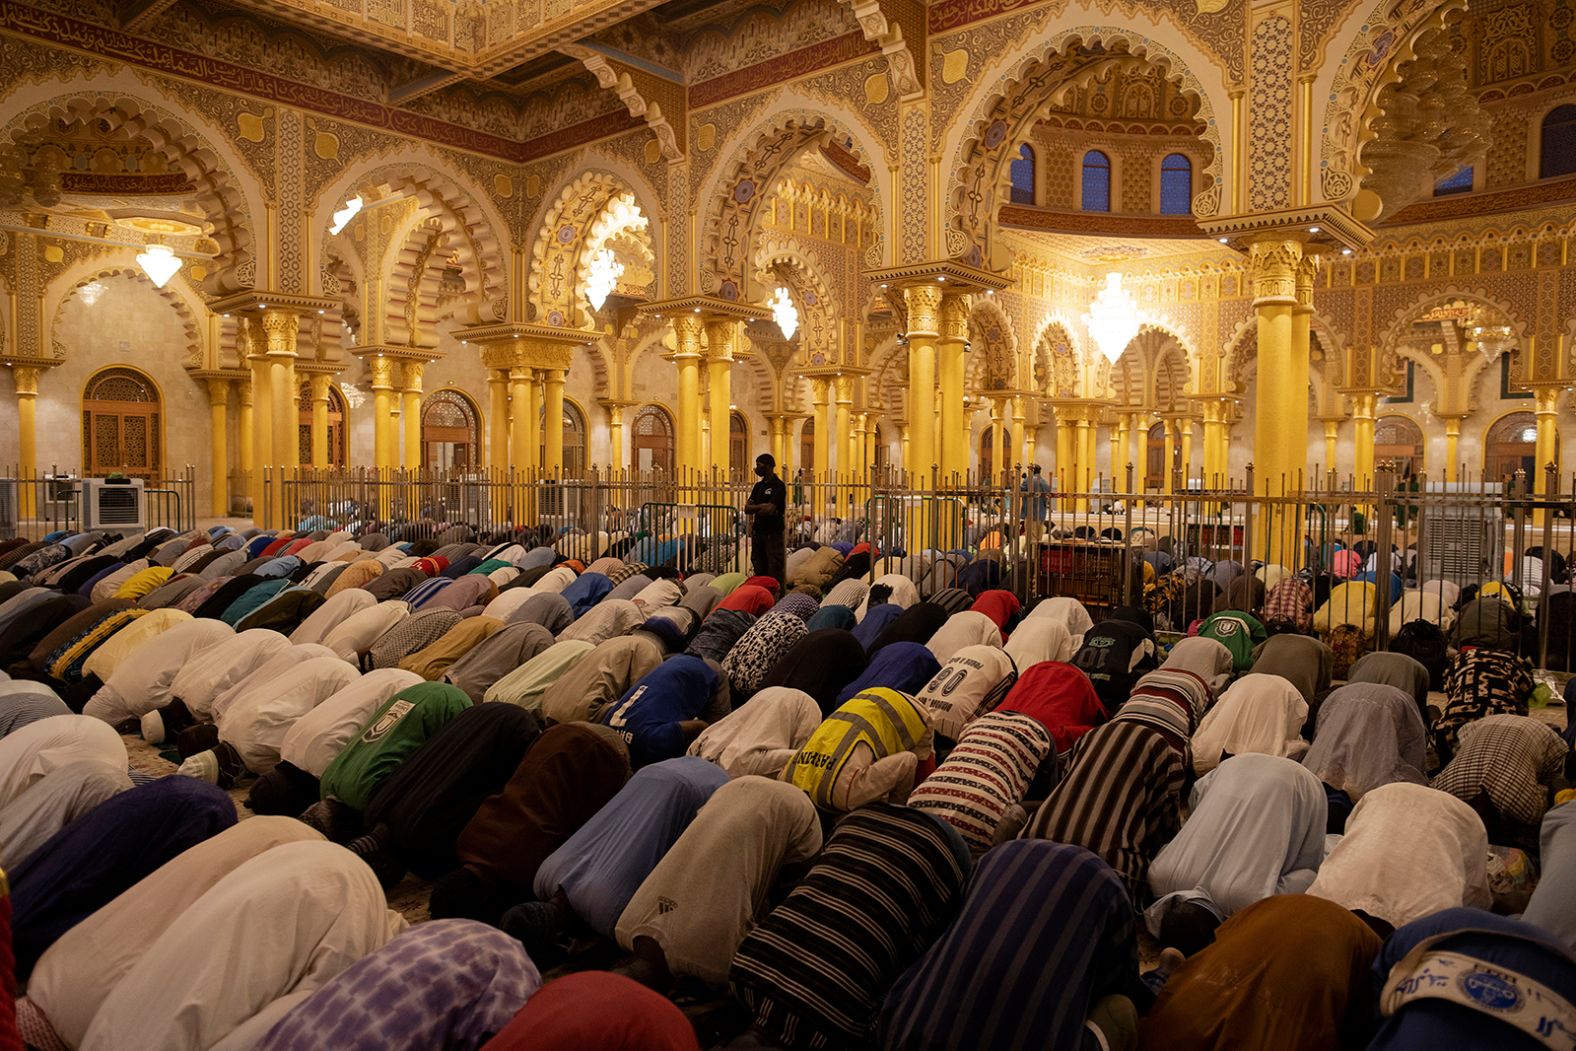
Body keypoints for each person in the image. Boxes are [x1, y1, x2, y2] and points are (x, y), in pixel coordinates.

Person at [877, 841, 1140, 1051]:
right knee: (1119, 1009)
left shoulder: (992, 859)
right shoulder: (1106, 889)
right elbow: (1123, 984)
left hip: (907, 1032)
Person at [1139, 895, 1382, 1051]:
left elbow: (1220, 939)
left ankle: (1163, 976)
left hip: (1181, 1020)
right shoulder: (1369, 949)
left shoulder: (1282, 902)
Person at [745, 453, 788, 589]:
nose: (756, 468)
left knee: (774, 569)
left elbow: (769, 509)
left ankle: (775, 598)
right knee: (759, 568)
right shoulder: (758, 486)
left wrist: (758, 507)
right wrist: (761, 506)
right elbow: (747, 508)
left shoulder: (778, 486)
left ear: (768, 466)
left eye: (759, 465)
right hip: (758, 533)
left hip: (773, 535)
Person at [1019, 464, 1050, 551]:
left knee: (1031, 539)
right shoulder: (1045, 482)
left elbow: (1018, 490)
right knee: (1038, 539)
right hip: (1042, 514)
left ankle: (1032, 560)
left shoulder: (1029, 480)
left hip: (1031, 513)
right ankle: (1037, 557)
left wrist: (1021, 480)